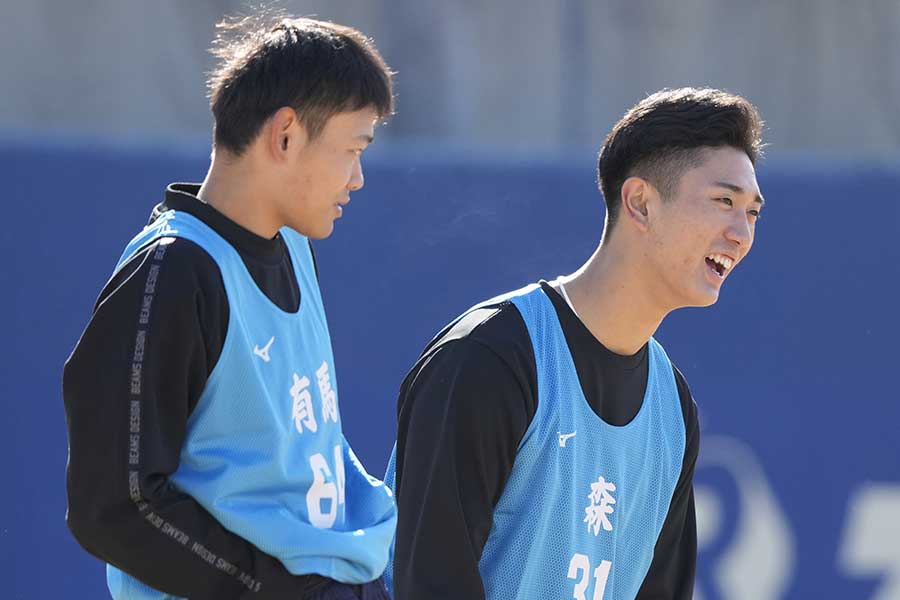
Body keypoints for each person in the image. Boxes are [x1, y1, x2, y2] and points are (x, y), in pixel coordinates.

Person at [63, 13, 396, 600]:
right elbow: (115, 505)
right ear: (286, 135)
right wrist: (278, 590)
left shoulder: (294, 247)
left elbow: (301, 450)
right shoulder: (173, 271)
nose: (358, 178)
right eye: (352, 150)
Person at [384, 87, 765, 599]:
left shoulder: (673, 412)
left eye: (752, 213)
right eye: (724, 201)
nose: (741, 233)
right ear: (640, 203)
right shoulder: (491, 356)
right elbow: (428, 584)